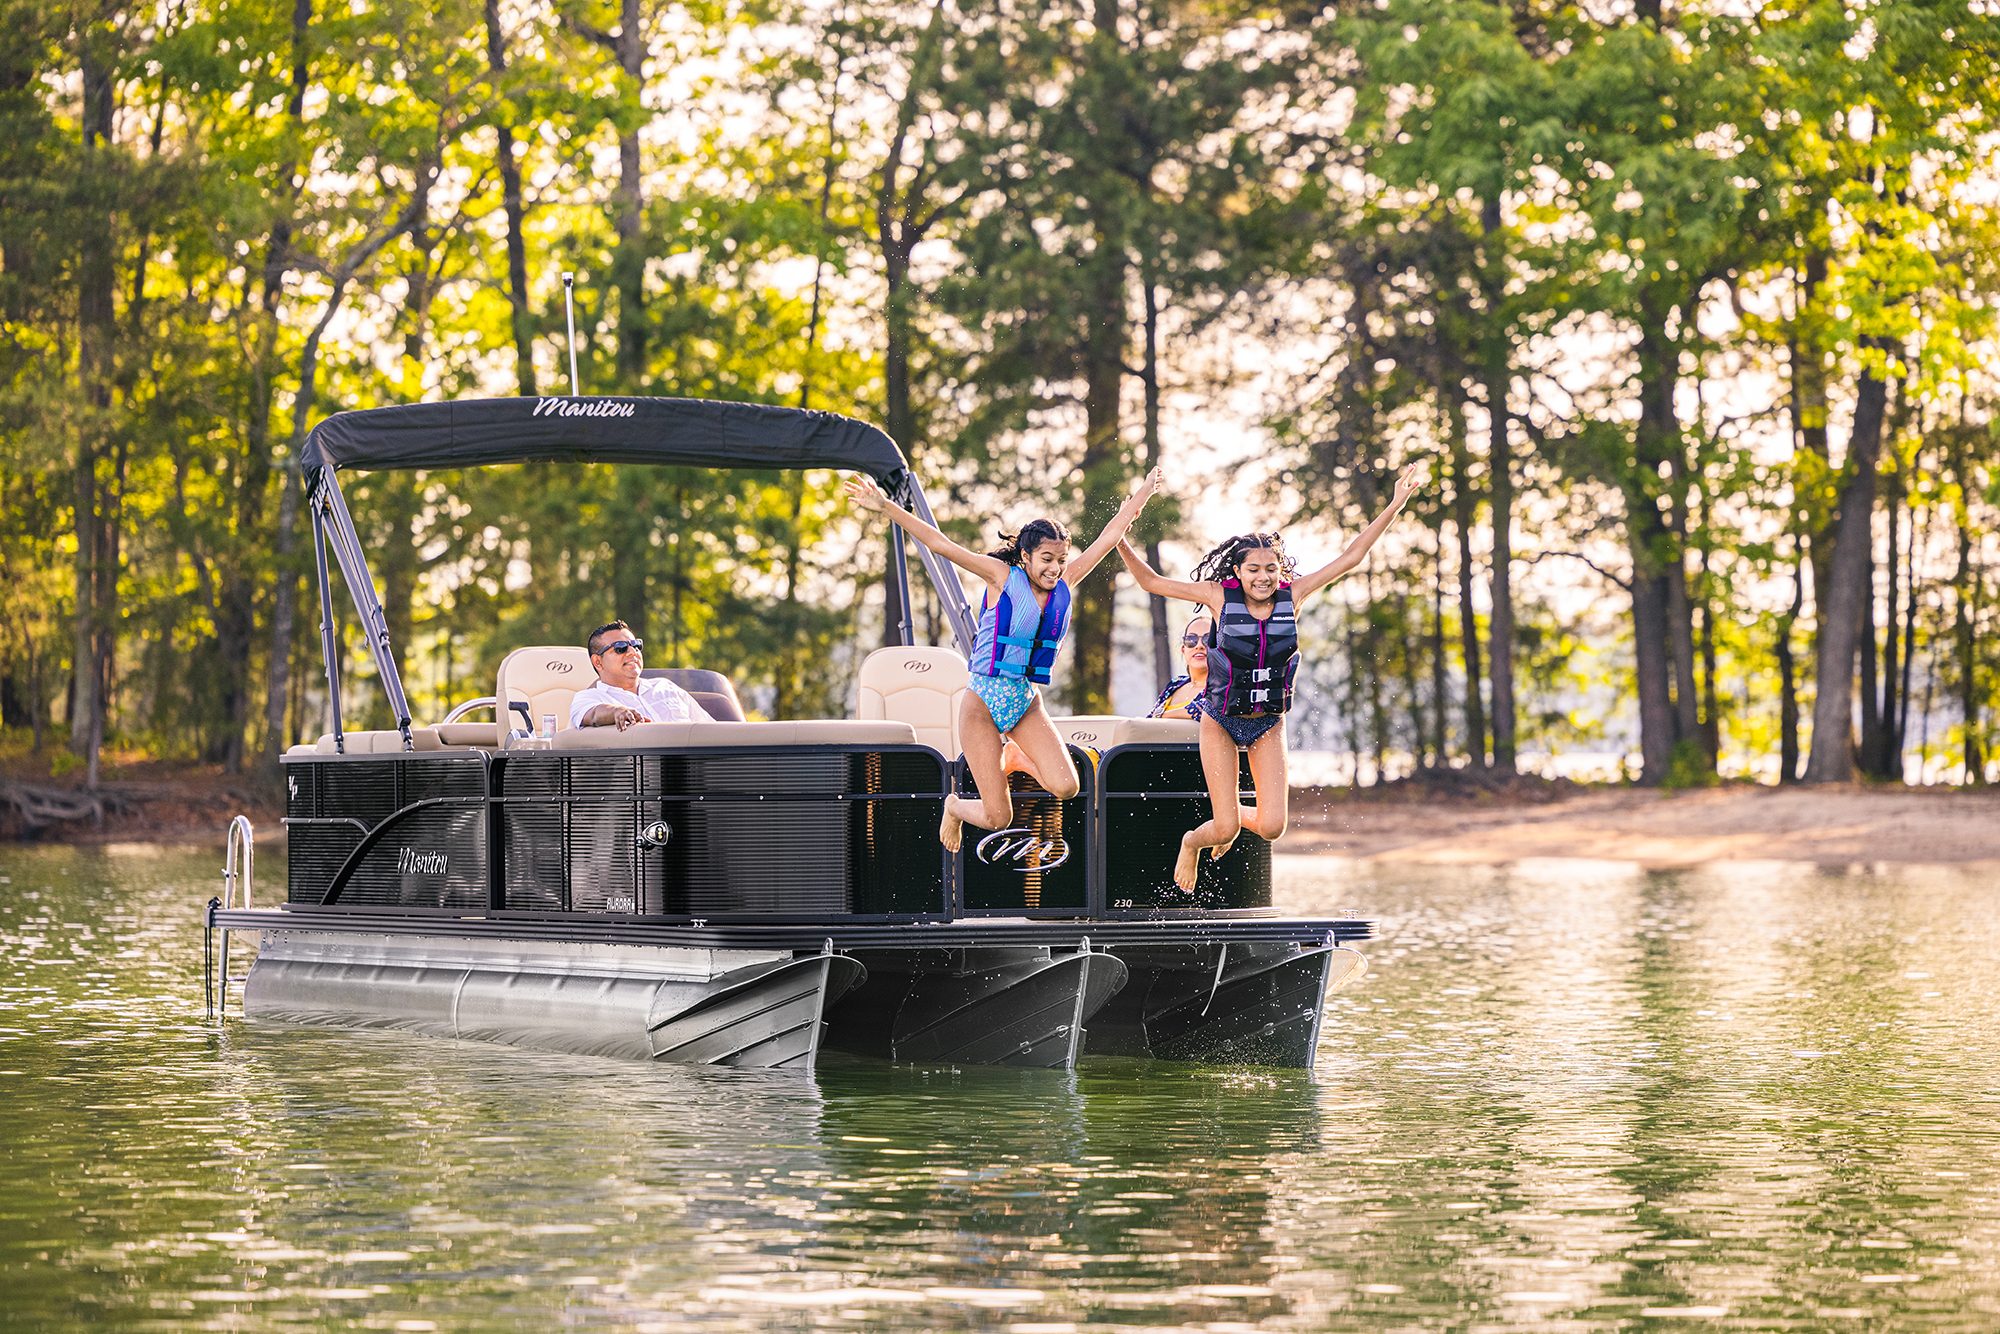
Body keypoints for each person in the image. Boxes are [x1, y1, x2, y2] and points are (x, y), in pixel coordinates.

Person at [1116, 464, 1423, 889]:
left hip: (1267, 722)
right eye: (1254, 570)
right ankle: (1192, 841)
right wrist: (1120, 535)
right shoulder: (1216, 597)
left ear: (1280, 571)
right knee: (1223, 831)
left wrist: (1395, 503)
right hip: (1219, 720)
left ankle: (1226, 814)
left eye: (1270, 569)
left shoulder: (1292, 596)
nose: (1263, 577)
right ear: (1238, 572)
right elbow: (1150, 582)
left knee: (1273, 826)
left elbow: (1353, 556)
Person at [844, 467, 1164, 850]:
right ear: (1025, 556)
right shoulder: (1001, 577)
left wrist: (1143, 493)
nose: (1055, 568)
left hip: (1025, 704)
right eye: (1046, 559)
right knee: (999, 817)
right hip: (981, 707)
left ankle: (1013, 752)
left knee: (1066, 786)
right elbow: (941, 544)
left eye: (1061, 560)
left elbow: (1108, 538)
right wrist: (886, 507)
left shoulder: (1064, 584)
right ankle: (955, 807)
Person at [569, 620, 713, 730]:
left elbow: (710, 729)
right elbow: (594, 714)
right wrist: (617, 712)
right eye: (621, 648)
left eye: (636, 645)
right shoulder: (588, 698)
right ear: (598, 662)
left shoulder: (666, 686)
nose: (633, 652)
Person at [1147, 611, 1214, 721]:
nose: (1199, 646)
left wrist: (1161, 715)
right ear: (1183, 649)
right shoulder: (1175, 684)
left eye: (1208, 639)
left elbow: (1206, 711)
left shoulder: (1223, 687)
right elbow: (1148, 721)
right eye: (1191, 640)